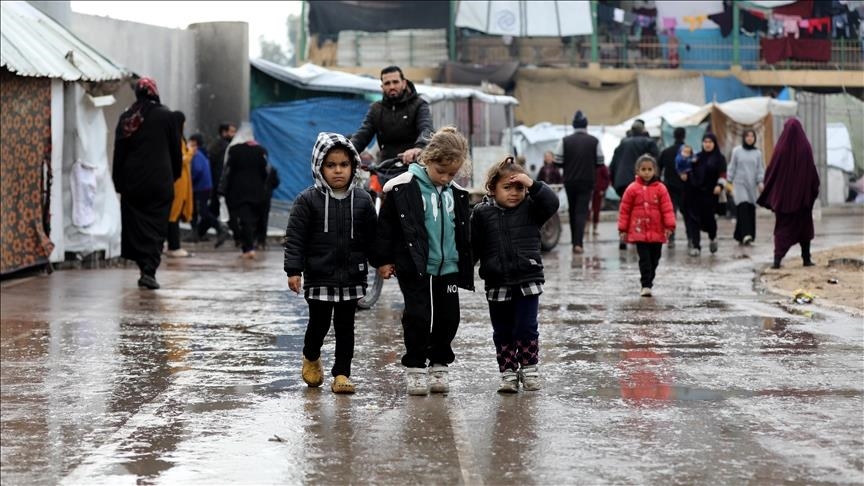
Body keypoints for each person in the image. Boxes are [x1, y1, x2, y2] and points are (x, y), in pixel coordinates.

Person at [372, 126, 474, 396]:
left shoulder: (456, 192)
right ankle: (415, 367)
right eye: (441, 172)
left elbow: (463, 230)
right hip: (415, 266)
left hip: (448, 266)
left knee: (449, 317)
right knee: (418, 316)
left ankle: (439, 364)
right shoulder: (402, 187)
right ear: (428, 159)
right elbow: (386, 228)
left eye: (452, 173)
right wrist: (383, 260)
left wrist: (468, 259)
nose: (446, 178)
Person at [283, 133, 377, 394]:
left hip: (352, 277)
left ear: (353, 166)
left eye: (344, 165)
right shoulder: (307, 200)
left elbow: (373, 238)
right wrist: (294, 270)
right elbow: (295, 239)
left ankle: (342, 374)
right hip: (319, 276)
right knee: (319, 325)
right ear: (319, 167)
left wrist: (382, 262)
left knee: (346, 328)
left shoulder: (362, 200)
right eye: (331, 165)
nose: (338, 170)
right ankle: (311, 356)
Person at [471, 156, 559, 393]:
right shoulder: (481, 214)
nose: (514, 193)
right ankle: (508, 373)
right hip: (496, 282)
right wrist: (463, 273)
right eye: (507, 187)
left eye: (519, 188)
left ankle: (529, 369)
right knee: (502, 331)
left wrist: (533, 184)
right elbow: (473, 247)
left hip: (527, 279)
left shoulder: (531, 209)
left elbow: (552, 202)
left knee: (526, 327)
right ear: (492, 188)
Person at [112, 77, 181, 289]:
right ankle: (149, 269)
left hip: (133, 184)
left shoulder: (127, 117)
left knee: (136, 227)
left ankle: (144, 268)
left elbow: (119, 153)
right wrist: (174, 175)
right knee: (157, 227)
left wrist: (118, 181)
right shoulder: (167, 116)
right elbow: (175, 151)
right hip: (160, 182)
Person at [757, 119, 820, 269]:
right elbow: (812, 173)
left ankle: (777, 260)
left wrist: (771, 192)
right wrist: (811, 191)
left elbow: (772, 171)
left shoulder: (780, 149)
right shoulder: (805, 148)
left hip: (784, 201)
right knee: (804, 230)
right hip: (802, 201)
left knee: (782, 230)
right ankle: (806, 259)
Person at [617, 155, 676, 297]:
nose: (647, 172)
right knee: (644, 259)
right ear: (637, 171)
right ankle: (645, 285)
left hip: (657, 231)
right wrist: (623, 229)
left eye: (650, 169)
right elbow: (624, 210)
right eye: (643, 169)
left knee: (655, 258)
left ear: (655, 170)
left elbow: (667, 209)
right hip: (639, 231)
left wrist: (669, 226)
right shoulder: (632, 189)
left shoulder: (661, 188)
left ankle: (650, 279)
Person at [349, 65, 433, 165]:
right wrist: (346, 151)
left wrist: (419, 148)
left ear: (404, 83)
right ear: (382, 87)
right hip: (386, 166)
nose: (392, 86)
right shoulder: (376, 109)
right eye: (387, 83)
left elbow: (426, 129)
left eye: (395, 82)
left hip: (414, 164)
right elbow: (362, 135)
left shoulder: (419, 105)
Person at [555, 110, 603, 254]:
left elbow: (558, 161)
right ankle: (579, 243)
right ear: (586, 125)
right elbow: (600, 162)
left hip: (570, 181)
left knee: (572, 210)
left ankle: (574, 241)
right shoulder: (594, 141)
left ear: (573, 125)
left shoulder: (565, 140)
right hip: (587, 181)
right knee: (582, 211)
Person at [220, 123, 269, 259]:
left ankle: (248, 248)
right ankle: (248, 245)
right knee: (251, 220)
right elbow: (265, 172)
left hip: (237, 191)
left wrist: (224, 188)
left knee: (242, 219)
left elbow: (228, 171)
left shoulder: (234, 150)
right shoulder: (261, 151)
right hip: (256, 191)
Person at [609, 119, 659, 250]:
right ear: (643, 130)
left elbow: (613, 164)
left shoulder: (623, 143)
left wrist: (614, 181)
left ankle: (624, 237)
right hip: (640, 183)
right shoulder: (648, 142)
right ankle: (638, 237)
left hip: (622, 182)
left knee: (625, 210)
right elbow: (655, 162)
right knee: (640, 211)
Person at [681, 133, 727, 257]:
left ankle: (712, 237)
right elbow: (687, 169)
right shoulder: (697, 157)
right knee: (693, 219)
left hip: (711, 194)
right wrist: (683, 174)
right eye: (705, 142)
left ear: (714, 143)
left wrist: (720, 185)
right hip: (695, 194)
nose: (707, 144)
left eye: (710, 142)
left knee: (709, 220)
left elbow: (723, 174)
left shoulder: (719, 158)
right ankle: (696, 245)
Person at [188, 133, 230, 247]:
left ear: (195, 142)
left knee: (202, 211)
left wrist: (190, 180)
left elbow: (197, 169)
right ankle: (195, 233)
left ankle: (219, 228)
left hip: (200, 187)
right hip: (205, 186)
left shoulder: (196, 153)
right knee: (195, 210)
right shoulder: (204, 152)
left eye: (190, 141)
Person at [727, 129, 765, 246]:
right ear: (744, 138)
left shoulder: (757, 153)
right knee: (743, 206)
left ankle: (740, 235)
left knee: (750, 208)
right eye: (747, 136)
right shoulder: (737, 151)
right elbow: (732, 166)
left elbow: (759, 169)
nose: (749, 138)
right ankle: (746, 234)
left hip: (751, 184)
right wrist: (729, 180)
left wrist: (760, 182)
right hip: (739, 183)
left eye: (752, 136)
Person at [166, 111, 193, 258]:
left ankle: (174, 245)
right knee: (173, 214)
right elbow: (180, 159)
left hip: (181, 182)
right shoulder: (175, 139)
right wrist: (190, 153)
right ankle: (174, 246)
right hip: (177, 182)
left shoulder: (177, 138)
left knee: (175, 213)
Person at [657, 127, 687, 248]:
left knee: (670, 214)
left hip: (669, 187)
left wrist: (659, 184)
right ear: (684, 136)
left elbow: (658, 168)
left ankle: (671, 239)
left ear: (674, 136)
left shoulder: (666, 152)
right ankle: (691, 239)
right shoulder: (688, 151)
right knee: (687, 214)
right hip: (685, 187)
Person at [207, 122, 237, 221]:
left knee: (215, 208)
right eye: (232, 132)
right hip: (218, 182)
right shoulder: (223, 146)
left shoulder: (219, 144)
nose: (234, 134)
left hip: (218, 182)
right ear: (224, 132)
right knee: (215, 207)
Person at [589, 162, 610, 237]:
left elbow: (607, 179)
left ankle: (595, 228)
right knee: (587, 210)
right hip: (589, 190)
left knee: (596, 210)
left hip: (598, 191)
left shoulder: (602, 167)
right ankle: (586, 228)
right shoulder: (590, 164)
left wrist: (603, 189)